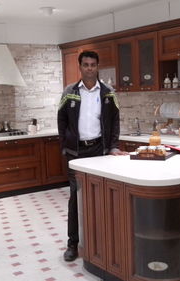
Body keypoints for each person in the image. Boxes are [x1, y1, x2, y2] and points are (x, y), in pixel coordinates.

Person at [57, 50, 128, 262]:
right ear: (80, 67)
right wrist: (65, 145)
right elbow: (61, 121)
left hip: (99, 151)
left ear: (97, 67)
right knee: (75, 198)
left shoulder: (108, 92)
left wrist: (113, 146)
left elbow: (115, 120)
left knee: (101, 198)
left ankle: (100, 243)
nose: (89, 68)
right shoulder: (69, 92)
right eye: (86, 64)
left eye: (93, 65)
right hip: (76, 154)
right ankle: (73, 244)